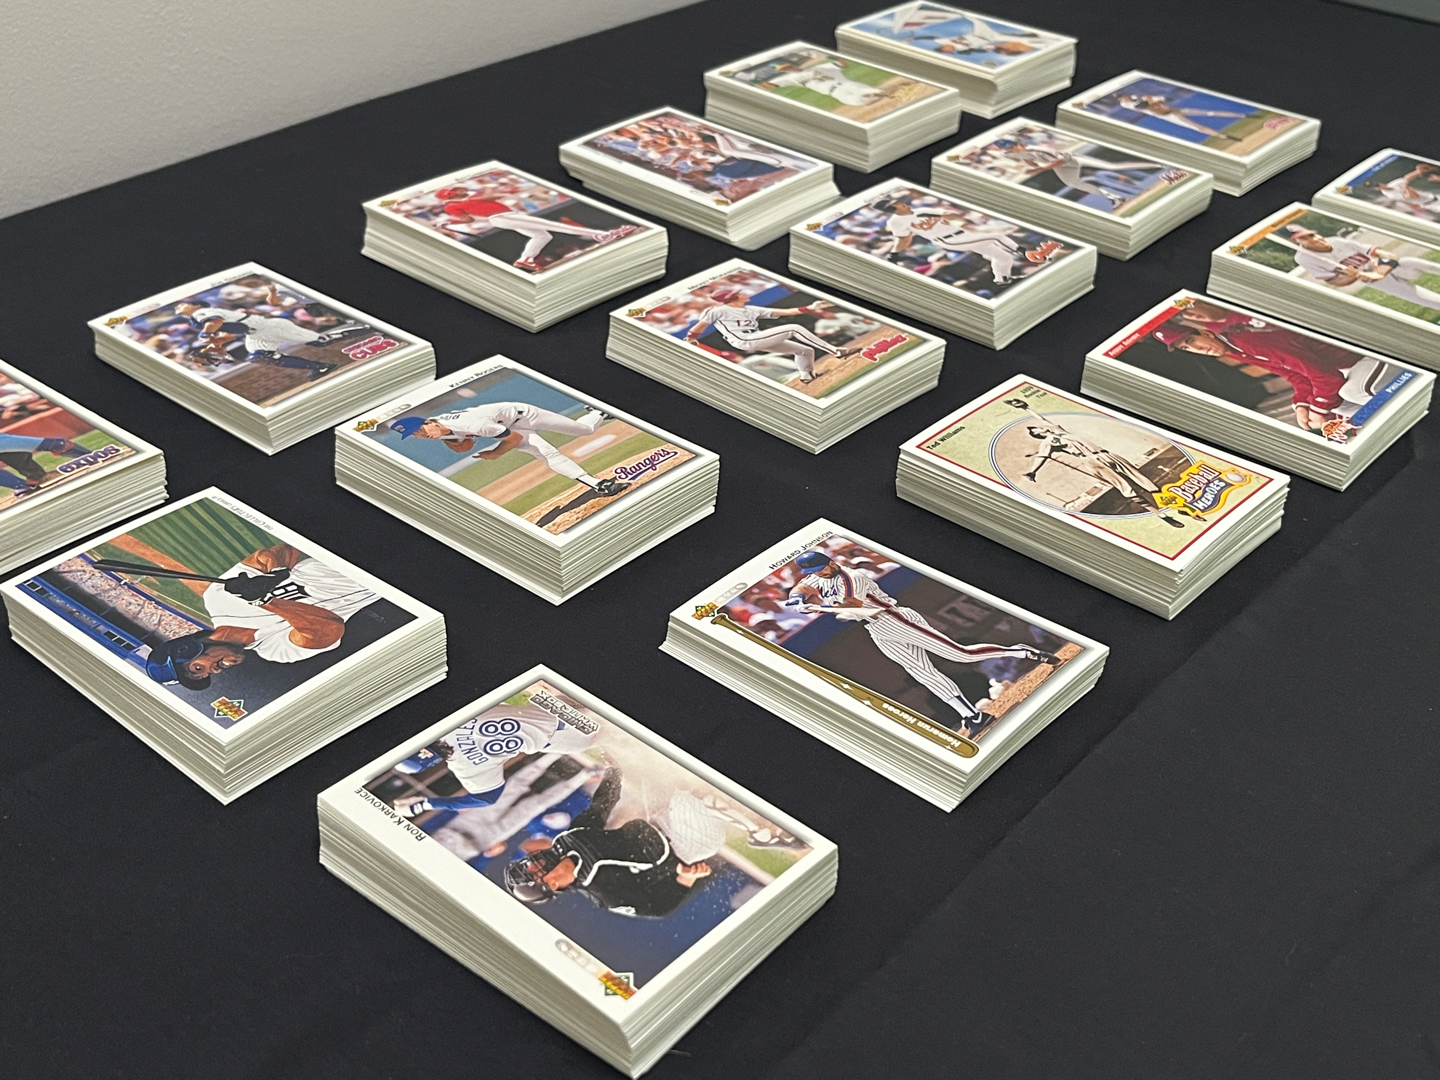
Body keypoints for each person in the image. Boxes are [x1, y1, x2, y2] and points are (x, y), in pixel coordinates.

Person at [784, 549, 1057, 736]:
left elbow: (852, 604)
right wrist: (797, 598)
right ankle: (973, 716)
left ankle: (1022, 651)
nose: (819, 574)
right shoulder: (819, 576)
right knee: (921, 673)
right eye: (815, 571)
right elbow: (803, 586)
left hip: (895, 618)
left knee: (960, 654)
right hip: (875, 628)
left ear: (831, 562)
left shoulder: (851, 576)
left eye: (821, 568)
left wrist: (816, 608)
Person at [504, 767, 794, 916]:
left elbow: (601, 806)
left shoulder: (566, 841)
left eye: (528, 865)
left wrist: (615, 769)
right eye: (533, 873)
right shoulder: (603, 892)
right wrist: (683, 880)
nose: (533, 863)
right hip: (686, 844)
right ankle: (762, 835)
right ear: (552, 884)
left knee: (659, 769)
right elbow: (658, 908)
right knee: (691, 794)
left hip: (658, 817)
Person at [144, 543, 379, 690]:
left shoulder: (217, 598)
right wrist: (265, 601)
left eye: (198, 669)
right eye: (205, 676)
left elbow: (283, 551)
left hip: (341, 550)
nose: (214, 671)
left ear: (186, 649)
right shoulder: (276, 651)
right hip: (378, 579)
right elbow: (330, 628)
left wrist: (276, 571)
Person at [1152, 308, 1389, 437]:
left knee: (1350, 393)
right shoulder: (1232, 349)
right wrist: (1301, 403)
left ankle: (1399, 400)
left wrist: (1318, 408)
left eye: (1191, 340)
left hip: (1362, 355)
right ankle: (1386, 427)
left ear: (1205, 333)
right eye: (1186, 348)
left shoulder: (1246, 340)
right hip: (1344, 367)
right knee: (1339, 410)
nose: (1196, 348)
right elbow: (1294, 374)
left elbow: (1326, 377)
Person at [388, 401, 629, 498]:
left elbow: (513, 438)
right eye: (415, 435)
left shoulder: (473, 424)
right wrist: (460, 443)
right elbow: (462, 444)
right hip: (504, 424)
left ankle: (598, 412)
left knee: (584, 430)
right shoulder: (440, 429)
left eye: (420, 429)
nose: (421, 435)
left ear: (429, 421)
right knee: (546, 453)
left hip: (524, 415)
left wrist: (495, 453)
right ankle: (598, 485)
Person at [172, 281, 364, 379]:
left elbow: (215, 321)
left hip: (267, 326)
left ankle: (364, 328)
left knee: (321, 341)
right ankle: (320, 367)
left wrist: (206, 334)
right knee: (260, 356)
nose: (178, 307)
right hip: (255, 332)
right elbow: (229, 333)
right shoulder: (197, 317)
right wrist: (217, 343)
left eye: (182, 305)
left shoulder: (201, 312)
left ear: (195, 305)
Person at [429, 186, 638, 271]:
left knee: (542, 236)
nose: (459, 190)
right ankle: (603, 235)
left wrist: (480, 195)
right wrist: (449, 223)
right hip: (500, 218)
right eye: (454, 191)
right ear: (450, 195)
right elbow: (467, 219)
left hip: (507, 216)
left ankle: (526, 259)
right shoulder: (452, 206)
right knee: (552, 226)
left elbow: (498, 195)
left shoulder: (471, 196)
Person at [1020, 423, 1188, 528]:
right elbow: (1042, 456)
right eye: (1037, 428)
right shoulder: (1047, 442)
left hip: (1107, 454)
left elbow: (1045, 421)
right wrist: (1033, 471)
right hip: (1091, 461)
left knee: (1145, 481)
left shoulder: (1060, 432)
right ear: (1037, 433)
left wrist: (1027, 408)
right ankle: (1161, 514)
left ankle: (1177, 507)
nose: (1041, 427)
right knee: (1127, 489)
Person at [683, 285, 862, 383]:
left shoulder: (751, 309)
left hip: (757, 337)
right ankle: (836, 351)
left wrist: (810, 307)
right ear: (731, 298)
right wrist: (691, 339)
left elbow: (787, 312)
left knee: (805, 351)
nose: (742, 294)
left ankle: (807, 376)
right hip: (745, 340)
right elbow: (701, 325)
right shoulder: (718, 310)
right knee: (794, 328)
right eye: (737, 293)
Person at [877, 196, 1061, 285]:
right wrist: (894, 254)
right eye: (895, 204)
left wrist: (948, 215)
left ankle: (1002, 280)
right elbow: (904, 239)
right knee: (996, 236)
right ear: (892, 209)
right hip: (947, 240)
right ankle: (1029, 254)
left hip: (960, 233)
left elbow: (949, 215)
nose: (900, 203)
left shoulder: (921, 210)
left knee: (1003, 257)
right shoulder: (896, 222)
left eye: (897, 202)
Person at [1285, 225, 1440, 311]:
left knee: (1413, 262)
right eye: (1304, 238)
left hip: (1382, 266)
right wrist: (1353, 275)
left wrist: (1383, 263)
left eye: (1311, 234)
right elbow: (1335, 282)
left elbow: (1379, 253)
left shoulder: (1337, 241)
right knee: (1419, 297)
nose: (1313, 239)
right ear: (1297, 242)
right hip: (1372, 279)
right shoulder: (1304, 259)